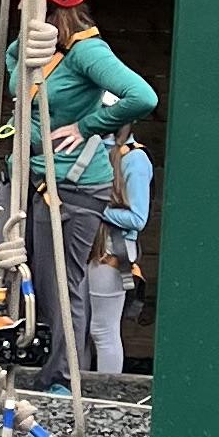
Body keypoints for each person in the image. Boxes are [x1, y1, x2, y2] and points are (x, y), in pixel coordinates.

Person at [13, 0, 158, 386]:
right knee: (3, 265)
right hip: (29, 172)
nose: (20, 8)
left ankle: (61, 377)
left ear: (51, 6)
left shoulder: (87, 52)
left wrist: (87, 126)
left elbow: (142, 96)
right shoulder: (30, 45)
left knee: (60, 284)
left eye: (26, 0)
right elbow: (15, 77)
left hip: (72, 185)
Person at [83, 128, 152, 378]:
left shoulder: (135, 158)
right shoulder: (89, 149)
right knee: (78, 328)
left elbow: (138, 218)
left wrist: (92, 207)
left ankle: (106, 393)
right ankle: (75, 389)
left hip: (112, 250)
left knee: (103, 331)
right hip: (85, 246)